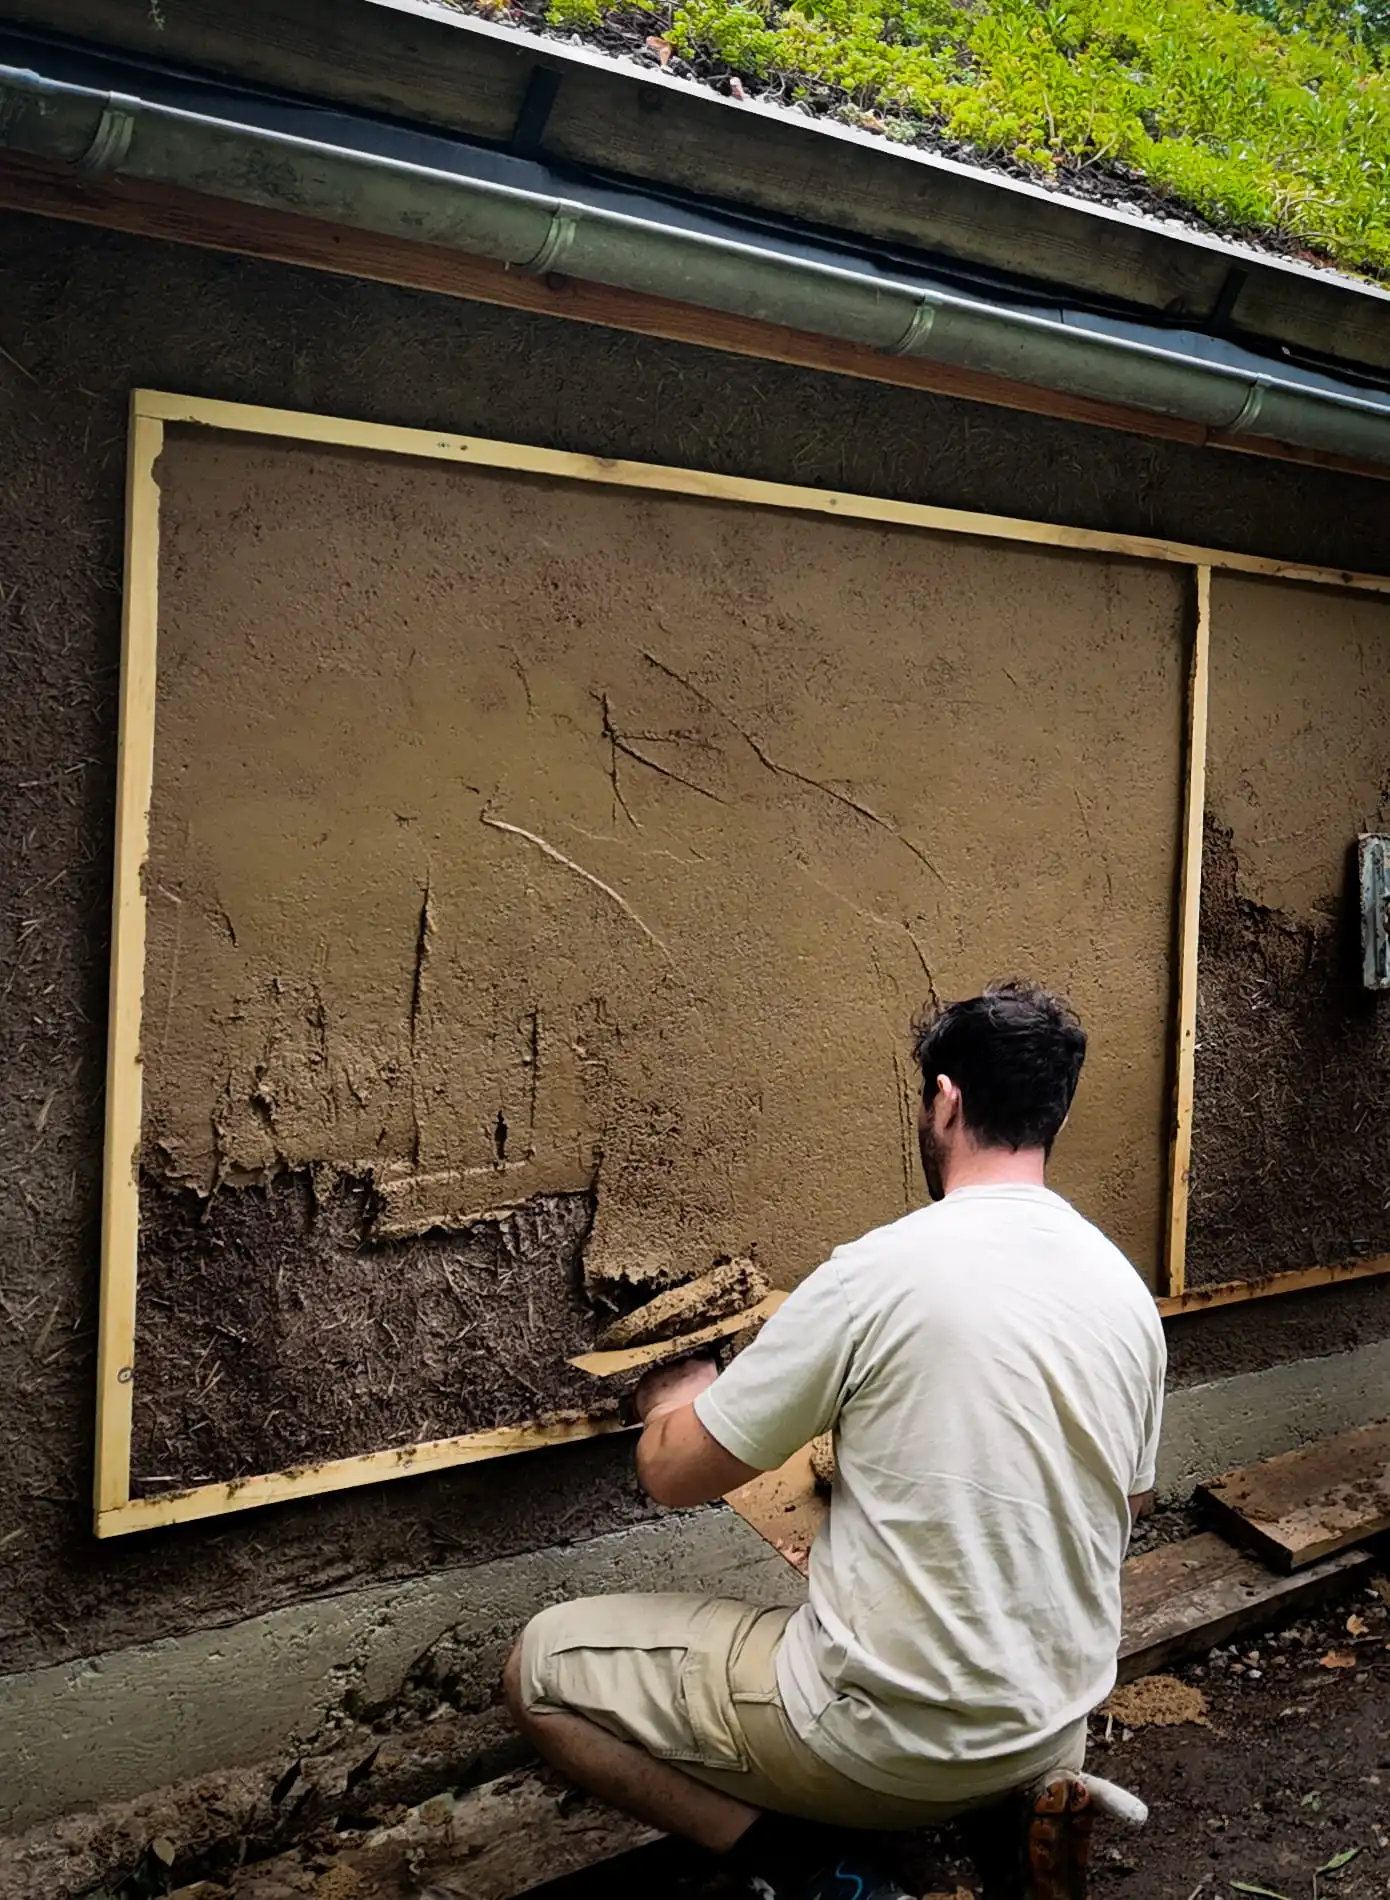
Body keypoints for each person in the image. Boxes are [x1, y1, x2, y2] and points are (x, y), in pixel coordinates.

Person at [504, 982, 1167, 1900]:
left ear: (945, 1100)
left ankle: (818, 1872)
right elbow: (1119, 1509)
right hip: (1052, 1720)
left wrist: (681, 1400)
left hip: (874, 1744)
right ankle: (1011, 1813)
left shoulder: (877, 1273)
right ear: (1053, 1112)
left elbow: (674, 1476)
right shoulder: (1124, 1292)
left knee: (538, 1668)